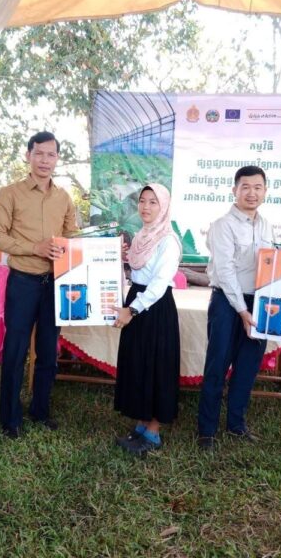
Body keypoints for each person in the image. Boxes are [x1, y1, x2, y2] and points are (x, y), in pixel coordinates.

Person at [0, 131, 78, 438]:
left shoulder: (64, 198)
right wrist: (34, 248)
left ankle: (40, 410)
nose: (44, 160)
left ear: (57, 159)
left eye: (51, 155)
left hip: (55, 284)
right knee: (15, 350)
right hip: (23, 282)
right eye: (39, 153)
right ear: (28, 155)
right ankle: (10, 418)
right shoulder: (10, 193)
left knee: (49, 352)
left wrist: (103, 248)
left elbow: (72, 238)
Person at [196, 166, 275, 451]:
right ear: (235, 190)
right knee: (217, 366)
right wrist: (242, 311)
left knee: (247, 367)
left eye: (258, 187)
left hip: (259, 302)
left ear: (265, 191)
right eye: (245, 187)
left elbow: (272, 266)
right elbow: (226, 272)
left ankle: (236, 425)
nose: (252, 193)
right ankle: (207, 430)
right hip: (228, 304)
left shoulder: (267, 226)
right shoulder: (222, 225)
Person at [113, 184, 182, 456]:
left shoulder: (168, 240)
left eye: (154, 202)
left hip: (154, 308)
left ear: (163, 207)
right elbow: (138, 272)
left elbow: (159, 284)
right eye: (142, 201)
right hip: (138, 302)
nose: (146, 207)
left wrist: (132, 310)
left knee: (156, 367)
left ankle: (153, 433)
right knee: (138, 364)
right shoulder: (142, 236)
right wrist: (122, 258)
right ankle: (141, 425)